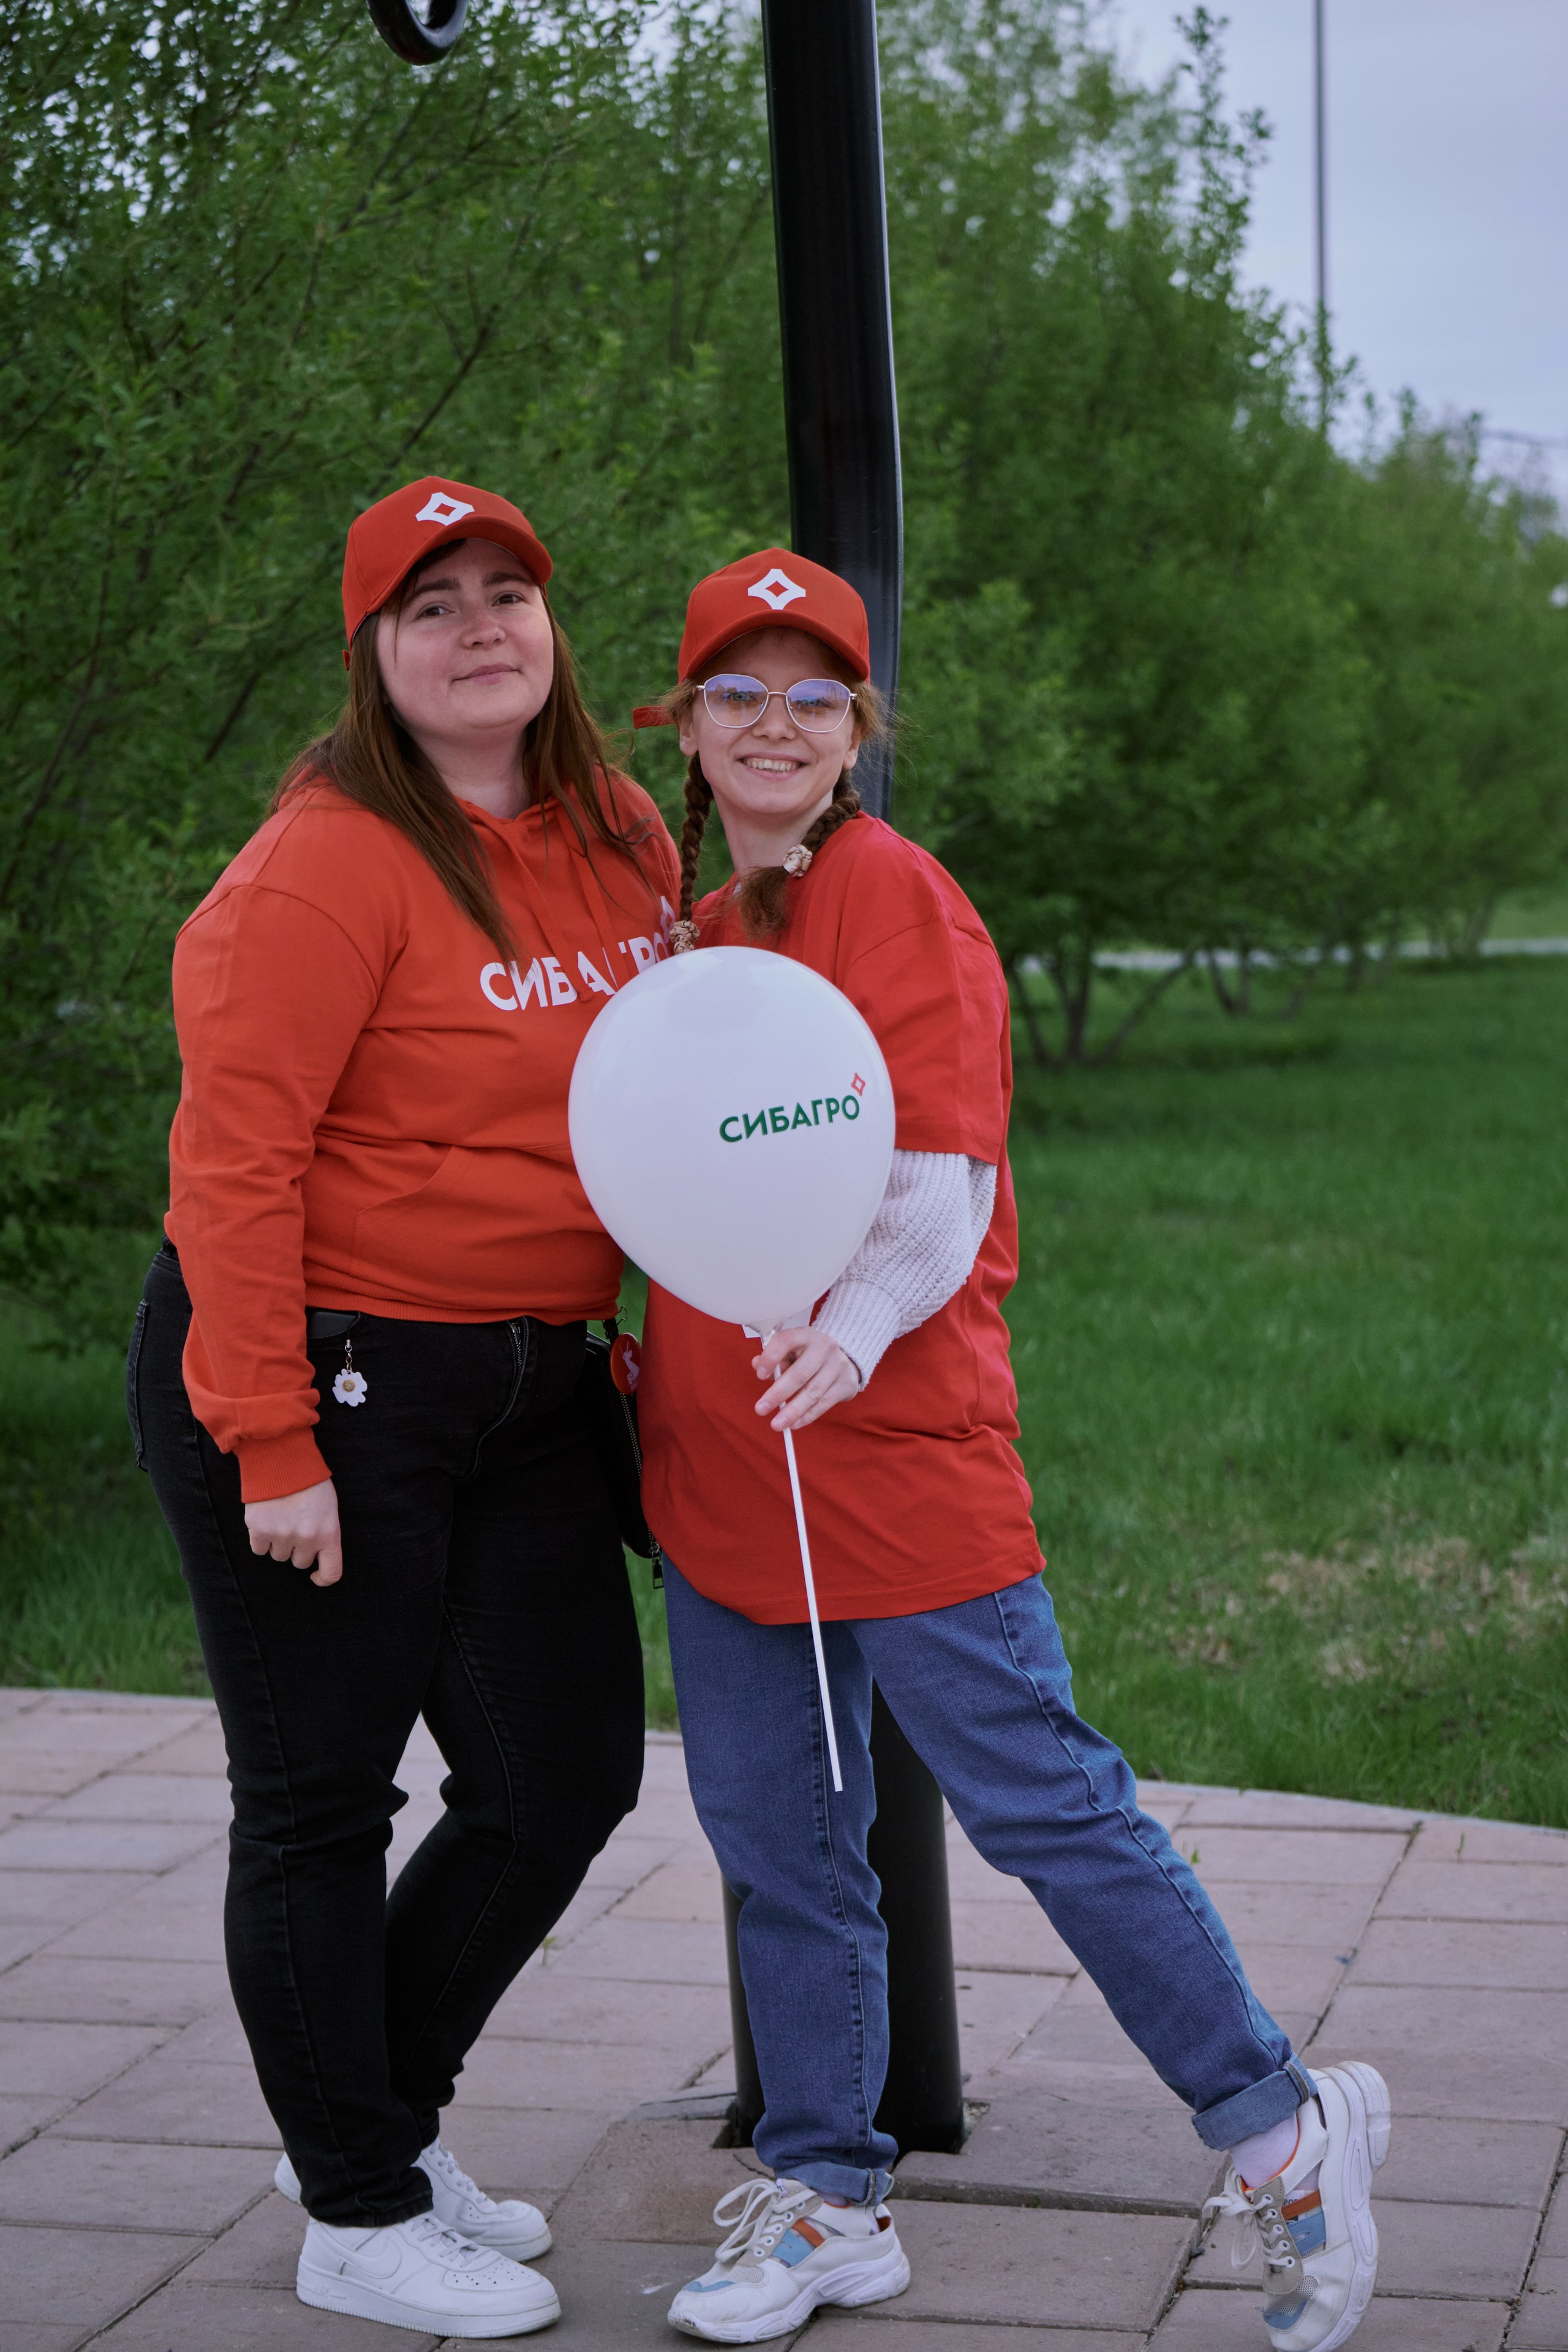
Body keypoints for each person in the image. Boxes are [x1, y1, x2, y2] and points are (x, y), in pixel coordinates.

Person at [631, 548, 1391, 2352]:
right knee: (782, 1845)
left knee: (1045, 1805)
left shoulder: (901, 901)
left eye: (813, 696)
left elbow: (941, 1178)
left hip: (897, 1448)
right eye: (737, 692)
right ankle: (828, 2198)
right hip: (730, 1474)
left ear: (857, 731)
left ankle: (1282, 2129)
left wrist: (855, 1327)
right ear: (689, 728)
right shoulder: (695, 931)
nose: (773, 723)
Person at [130, 477, 680, 2339]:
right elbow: (234, 1170)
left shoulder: (619, 833)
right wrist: (270, 1438)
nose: (479, 628)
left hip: (530, 1374)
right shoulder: (325, 864)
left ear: (552, 628)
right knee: (320, 1802)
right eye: (431, 604)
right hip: (327, 1369)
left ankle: (372, 2121)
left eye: (507, 592)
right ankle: (356, 2211)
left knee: (559, 1776)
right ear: (373, 654)